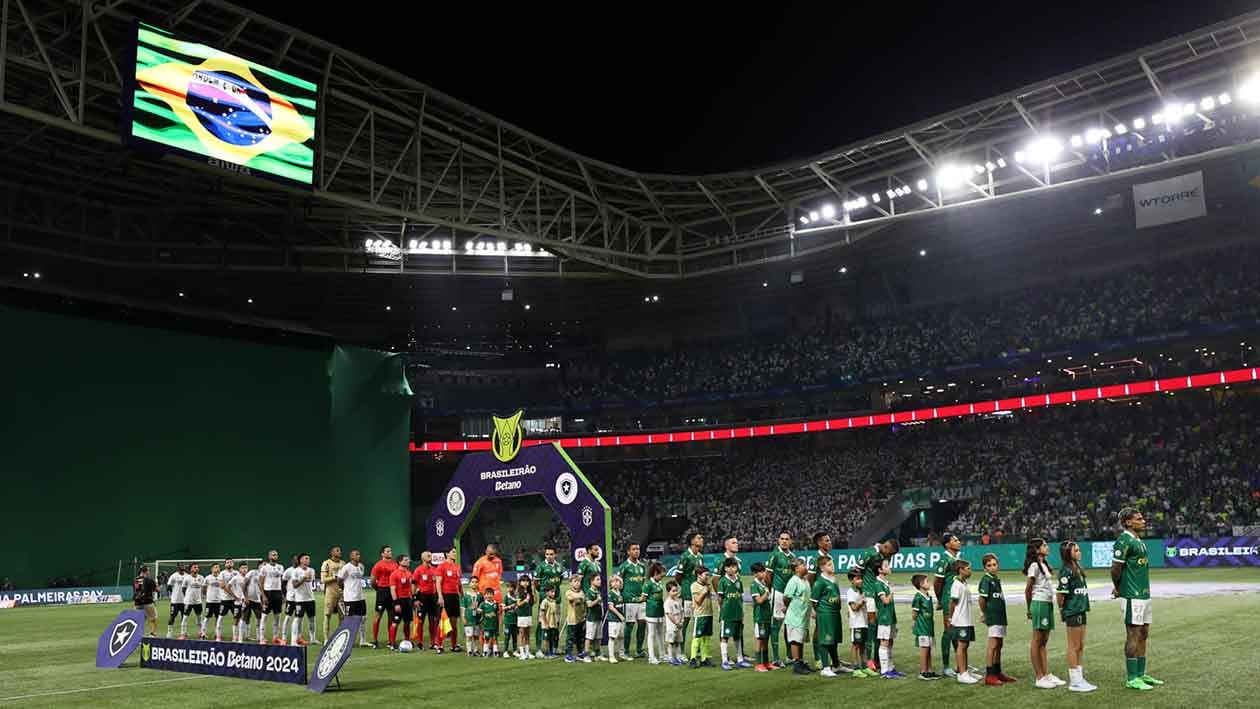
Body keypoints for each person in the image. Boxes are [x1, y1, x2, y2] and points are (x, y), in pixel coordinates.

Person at [1112, 508, 1161, 690]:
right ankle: (1132, 678)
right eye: (1139, 519)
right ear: (1128, 522)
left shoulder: (1138, 540)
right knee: (1133, 635)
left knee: (1144, 634)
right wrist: (1118, 588)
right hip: (1132, 596)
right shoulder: (1124, 540)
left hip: (1144, 594)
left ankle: (1141, 674)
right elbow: (1115, 569)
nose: (1144, 521)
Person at [1058, 541, 1096, 692]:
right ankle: (1074, 681)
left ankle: (1080, 678)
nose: (1079, 552)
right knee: (1073, 646)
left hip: (1081, 610)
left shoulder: (1077, 569)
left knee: (1080, 645)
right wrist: (1062, 609)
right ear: (1069, 553)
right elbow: (1060, 594)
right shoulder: (1066, 571)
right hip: (1073, 611)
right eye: (1076, 550)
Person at [1025, 538, 1063, 688]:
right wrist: (1029, 608)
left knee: (1044, 641)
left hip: (1047, 603)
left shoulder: (1043, 564)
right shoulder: (1034, 565)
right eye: (1044, 545)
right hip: (1039, 603)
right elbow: (1028, 589)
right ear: (1036, 549)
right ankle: (1039, 677)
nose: (1047, 547)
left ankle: (1046, 673)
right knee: (1037, 640)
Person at [857, 537, 900, 673]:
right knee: (872, 625)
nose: (890, 557)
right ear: (886, 547)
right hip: (870, 593)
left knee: (880, 628)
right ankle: (869, 660)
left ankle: (878, 659)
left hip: (879, 592)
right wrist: (861, 591)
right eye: (891, 553)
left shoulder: (886, 555)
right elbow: (857, 571)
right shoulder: (869, 553)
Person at [977, 552, 1016, 684]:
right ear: (985, 568)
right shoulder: (986, 580)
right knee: (993, 644)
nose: (993, 567)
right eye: (989, 565)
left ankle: (997, 671)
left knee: (999, 644)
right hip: (993, 616)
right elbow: (982, 598)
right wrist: (983, 613)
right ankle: (989, 675)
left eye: (994, 564)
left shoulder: (995, 580)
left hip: (1000, 616)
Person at [766, 531, 797, 668]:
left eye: (787, 539)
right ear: (778, 540)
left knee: (789, 625)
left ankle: (790, 656)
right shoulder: (774, 555)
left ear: (791, 542)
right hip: (777, 593)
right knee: (776, 625)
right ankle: (776, 657)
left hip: (789, 595)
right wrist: (771, 589)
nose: (784, 541)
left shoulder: (792, 556)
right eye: (782, 539)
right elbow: (768, 575)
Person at [933, 532, 963, 677]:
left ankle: (960, 663)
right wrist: (940, 600)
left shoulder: (958, 558)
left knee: (957, 631)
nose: (958, 542)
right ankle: (946, 666)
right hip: (948, 599)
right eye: (955, 540)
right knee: (949, 631)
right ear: (947, 544)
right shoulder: (944, 560)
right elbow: (937, 582)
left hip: (958, 599)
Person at [809, 555, 843, 677]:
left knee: (833, 640)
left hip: (835, 613)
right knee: (825, 639)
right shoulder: (820, 582)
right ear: (822, 568)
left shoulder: (834, 579)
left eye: (832, 564)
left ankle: (836, 665)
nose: (832, 566)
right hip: (825, 614)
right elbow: (813, 600)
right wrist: (816, 612)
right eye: (829, 565)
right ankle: (825, 667)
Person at [949, 559, 979, 685]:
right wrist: (951, 618)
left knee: (965, 645)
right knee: (961, 646)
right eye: (968, 568)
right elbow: (953, 603)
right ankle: (962, 673)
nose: (970, 570)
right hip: (960, 620)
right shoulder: (956, 584)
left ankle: (965, 670)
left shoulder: (964, 583)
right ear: (960, 570)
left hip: (967, 619)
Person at [614, 543, 647, 660]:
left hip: (641, 600)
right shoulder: (624, 566)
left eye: (638, 549)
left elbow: (643, 582)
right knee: (629, 625)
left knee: (643, 624)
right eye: (634, 549)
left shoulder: (642, 566)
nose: (636, 551)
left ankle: (639, 649)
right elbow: (617, 582)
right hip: (629, 601)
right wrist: (623, 596)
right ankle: (626, 650)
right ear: (628, 552)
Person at [873, 558, 904, 679]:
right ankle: (884, 670)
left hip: (891, 617)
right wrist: (892, 592)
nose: (889, 567)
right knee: (884, 642)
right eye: (886, 565)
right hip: (884, 618)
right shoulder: (878, 584)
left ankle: (891, 668)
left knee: (890, 642)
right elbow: (885, 601)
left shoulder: (885, 583)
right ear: (880, 570)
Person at [806, 532, 833, 669]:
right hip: (819, 599)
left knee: (828, 628)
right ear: (819, 543)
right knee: (819, 628)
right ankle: (818, 658)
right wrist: (812, 602)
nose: (830, 542)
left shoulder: (828, 557)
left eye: (829, 540)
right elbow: (809, 580)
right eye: (827, 540)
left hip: (828, 599)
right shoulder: (815, 558)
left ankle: (827, 657)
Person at [716, 557, 749, 670]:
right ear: (725, 568)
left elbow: (741, 597)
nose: (731, 569)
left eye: (734, 566)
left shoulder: (739, 581)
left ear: (736, 568)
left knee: (737, 636)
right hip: (727, 614)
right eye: (729, 567)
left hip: (738, 613)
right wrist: (721, 612)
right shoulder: (722, 581)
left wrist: (743, 612)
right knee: (725, 636)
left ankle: (740, 659)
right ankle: (724, 660)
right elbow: (720, 598)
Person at [533, 546, 566, 657]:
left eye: (551, 554)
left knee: (555, 624)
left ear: (555, 555)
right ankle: (538, 649)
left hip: (556, 599)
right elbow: (536, 583)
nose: (549, 556)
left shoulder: (559, 566)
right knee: (542, 622)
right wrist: (543, 592)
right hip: (545, 599)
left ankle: (554, 648)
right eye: (547, 554)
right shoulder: (541, 566)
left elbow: (560, 580)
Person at [782, 558, 813, 675]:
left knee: (800, 640)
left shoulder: (805, 580)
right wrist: (791, 608)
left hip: (803, 617)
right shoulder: (793, 581)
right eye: (803, 565)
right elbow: (786, 597)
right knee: (795, 640)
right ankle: (796, 664)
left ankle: (801, 661)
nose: (806, 566)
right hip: (795, 617)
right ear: (796, 568)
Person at [337, 549, 372, 647]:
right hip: (350, 598)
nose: (358, 556)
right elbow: (339, 580)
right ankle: (347, 641)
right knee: (349, 620)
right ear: (351, 556)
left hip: (360, 597)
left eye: (359, 554)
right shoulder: (346, 567)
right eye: (356, 554)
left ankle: (363, 640)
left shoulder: (361, 566)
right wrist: (345, 589)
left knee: (363, 618)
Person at [675, 533, 704, 642]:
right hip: (687, 595)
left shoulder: (700, 556)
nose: (701, 539)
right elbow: (678, 576)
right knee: (685, 621)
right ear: (692, 541)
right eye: (699, 538)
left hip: (699, 593)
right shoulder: (685, 556)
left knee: (699, 620)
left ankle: (698, 649)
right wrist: (686, 587)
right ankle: (680, 650)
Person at [910, 574, 938, 681]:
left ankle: (929, 670)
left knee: (929, 649)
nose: (929, 583)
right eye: (927, 581)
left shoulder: (928, 597)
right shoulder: (918, 597)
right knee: (924, 649)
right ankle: (923, 671)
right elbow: (914, 614)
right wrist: (916, 624)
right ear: (921, 584)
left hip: (929, 628)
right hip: (922, 628)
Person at [848, 570, 876, 677]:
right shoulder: (851, 592)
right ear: (851, 580)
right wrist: (862, 602)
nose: (860, 581)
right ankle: (855, 668)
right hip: (856, 623)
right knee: (855, 644)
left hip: (863, 622)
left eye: (861, 578)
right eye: (857, 579)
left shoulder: (861, 590)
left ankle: (864, 666)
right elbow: (854, 608)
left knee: (863, 644)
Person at [370, 546, 398, 648]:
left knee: (391, 616)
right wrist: (379, 589)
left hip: (392, 592)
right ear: (382, 554)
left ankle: (391, 641)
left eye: (390, 551)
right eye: (388, 551)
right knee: (378, 616)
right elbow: (372, 581)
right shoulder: (378, 565)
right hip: (382, 591)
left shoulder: (395, 564)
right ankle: (375, 640)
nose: (390, 552)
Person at [437, 548, 464, 652]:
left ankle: (454, 645)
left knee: (454, 622)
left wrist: (462, 594)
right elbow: (438, 582)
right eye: (453, 552)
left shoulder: (457, 567)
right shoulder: (442, 566)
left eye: (455, 552)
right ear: (447, 554)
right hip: (445, 595)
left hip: (454, 596)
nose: (455, 554)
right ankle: (439, 645)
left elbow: (459, 582)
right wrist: (440, 596)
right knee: (443, 621)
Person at [412, 552, 440, 652]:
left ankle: (434, 642)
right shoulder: (418, 570)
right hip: (422, 597)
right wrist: (414, 599)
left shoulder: (434, 569)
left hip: (433, 597)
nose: (430, 557)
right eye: (428, 556)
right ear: (422, 557)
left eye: (431, 555)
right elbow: (414, 586)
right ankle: (419, 642)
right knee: (420, 621)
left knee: (433, 621)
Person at [688, 566, 714, 668]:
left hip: (709, 614)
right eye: (706, 575)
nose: (708, 577)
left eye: (708, 575)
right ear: (699, 575)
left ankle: (704, 659)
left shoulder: (708, 585)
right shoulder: (694, 585)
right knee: (697, 637)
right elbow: (698, 601)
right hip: (700, 615)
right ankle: (693, 659)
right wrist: (704, 592)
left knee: (706, 638)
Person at [749, 562, 773, 672]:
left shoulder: (763, 584)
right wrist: (766, 594)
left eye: (763, 571)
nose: (763, 573)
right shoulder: (754, 585)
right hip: (760, 618)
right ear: (754, 574)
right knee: (760, 639)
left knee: (766, 639)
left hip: (767, 616)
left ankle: (766, 662)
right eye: (760, 572)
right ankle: (758, 664)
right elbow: (758, 601)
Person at [258, 550, 286, 644]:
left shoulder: (280, 567)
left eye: (276, 555)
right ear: (269, 556)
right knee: (264, 616)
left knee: (277, 616)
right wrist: (263, 595)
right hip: (268, 593)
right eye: (273, 555)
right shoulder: (264, 568)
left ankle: (275, 637)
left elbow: (281, 582)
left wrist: (282, 594)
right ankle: (262, 638)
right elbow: (260, 582)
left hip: (277, 593)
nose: (275, 556)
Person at [388, 554, 414, 650]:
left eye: (408, 559)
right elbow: (393, 590)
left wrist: (413, 599)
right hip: (399, 600)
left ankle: (407, 640)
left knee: (407, 622)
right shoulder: (394, 574)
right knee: (395, 622)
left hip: (408, 600)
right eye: (406, 560)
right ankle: (392, 643)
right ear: (400, 562)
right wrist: (396, 603)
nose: (408, 561)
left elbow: (411, 588)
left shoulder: (409, 573)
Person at [320, 546, 346, 645]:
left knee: (342, 616)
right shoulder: (326, 563)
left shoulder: (343, 563)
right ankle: (326, 638)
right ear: (332, 553)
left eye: (340, 550)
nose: (340, 552)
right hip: (330, 593)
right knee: (327, 615)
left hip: (341, 593)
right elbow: (323, 580)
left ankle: (340, 638)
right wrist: (335, 577)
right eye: (337, 550)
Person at [290, 554, 316, 647]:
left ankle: (313, 638)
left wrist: (306, 578)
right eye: (306, 558)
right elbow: (295, 585)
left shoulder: (311, 570)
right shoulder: (296, 571)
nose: (308, 560)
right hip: (300, 599)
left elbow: (309, 580)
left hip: (310, 598)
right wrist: (303, 578)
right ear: (301, 560)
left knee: (312, 619)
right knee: (297, 619)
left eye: (309, 558)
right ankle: (293, 640)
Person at [644, 562, 667, 664]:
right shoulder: (648, 584)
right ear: (655, 573)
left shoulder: (660, 583)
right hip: (651, 612)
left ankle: (662, 654)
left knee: (661, 634)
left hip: (660, 611)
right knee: (651, 634)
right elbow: (643, 598)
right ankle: (651, 657)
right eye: (660, 575)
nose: (662, 578)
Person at [563, 575, 587, 662]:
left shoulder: (581, 592)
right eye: (575, 581)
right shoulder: (569, 592)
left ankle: (580, 653)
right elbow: (570, 598)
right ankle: (568, 655)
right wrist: (579, 597)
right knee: (570, 638)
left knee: (580, 637)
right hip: (572, 620)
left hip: (581, 618)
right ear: (570, 583)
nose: (577, 583)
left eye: (579, 582)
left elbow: (584, 601)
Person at [583, 574, 605, 663]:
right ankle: (586, 655)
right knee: (589, 637)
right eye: (598, 579)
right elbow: (589, 604)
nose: (600, 581)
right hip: (591, 619)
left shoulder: (598, 592)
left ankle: (598, 654)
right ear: (592, 581)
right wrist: (597, 600)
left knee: (598, 637)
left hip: (598, 617)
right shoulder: (589, 592)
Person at [180, 563, 205, 641]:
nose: (196, 568)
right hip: (188, 602)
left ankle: (201, 632)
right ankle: (183, 634)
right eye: (194, 567)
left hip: (198, 601)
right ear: (191, 569)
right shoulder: (187, 578)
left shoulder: (201, 577)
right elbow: (183, 589)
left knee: (199, 618)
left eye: (197, 567)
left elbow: (203, 588)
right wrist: (187, 597)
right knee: (185, 617)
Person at [606, 574, 627, 663]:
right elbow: (611, 607)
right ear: (610, 584)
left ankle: (621, 654)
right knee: (612, 637)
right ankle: (611, 656)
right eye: (613, 581)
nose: (616, 583)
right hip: (613, 619)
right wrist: (620, 615)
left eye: (617, 581)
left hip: (620, 620)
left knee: (621, 636)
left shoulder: (620, 594)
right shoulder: (611, 594)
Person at [133, 565, 158, 637]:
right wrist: (158, 583)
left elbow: (135, 591)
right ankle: (152, 634)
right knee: (153, 619)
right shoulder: (149, 579)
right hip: (148, 602)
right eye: (148, 570)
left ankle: (138, 635)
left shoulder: (135, 580)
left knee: (139, 621)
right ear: (146, 571)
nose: (149, 572)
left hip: (137, 603)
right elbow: (157, 589)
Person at [663, 581, 684, 665]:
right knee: (671, 643)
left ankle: (678, 657)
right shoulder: (667, 602)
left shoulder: (678, 601)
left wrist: (681, 621)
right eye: (673, 591)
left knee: (678, 642)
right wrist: (676, 622)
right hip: (671, 627)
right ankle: (670, 657)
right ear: (668, 592)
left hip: (679, 625)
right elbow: (669, 614)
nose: (675, 592)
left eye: (676, 590)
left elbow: (682, 611)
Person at [164, 563, 187, 639]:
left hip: (184, 601)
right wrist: (172, 594)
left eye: (183, 566)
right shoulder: (174, 576)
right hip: (175, 601)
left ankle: (183, 633)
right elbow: (169, 586)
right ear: (178, 567)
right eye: (181, 566)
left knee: (184, 617)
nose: (183, 567)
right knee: (172, 616)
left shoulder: (187, 576)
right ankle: (169, 632)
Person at [514, 576, 535, 660]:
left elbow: (534, 602)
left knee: (527, 634)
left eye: (527, 581)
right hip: (521, 615)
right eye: (523, 581)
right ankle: (522, 652)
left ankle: (527, 652)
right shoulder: (519, 592)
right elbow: (518, 604)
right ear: (520, 582)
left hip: (528, 614)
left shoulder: (529, 592)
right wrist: (525, 600)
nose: (525, 583)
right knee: (522, 634)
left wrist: (533, 591)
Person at [227, 563, 248, 642]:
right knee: (236, 619)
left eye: (246, 568)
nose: (244, 569)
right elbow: (228, 587)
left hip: (245, 601)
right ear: (239, 569)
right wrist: (235, 596)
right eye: (243, 568)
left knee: (243, 618)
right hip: (237, 602)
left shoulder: (248, 578)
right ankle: (234, 636)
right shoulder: (235, 578)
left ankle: (241, 637)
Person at [479, 587, 502, 658]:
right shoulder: (483, 604)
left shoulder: (496, 604)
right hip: (486, 625)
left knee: (495, 638)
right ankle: (485, 652)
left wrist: (500, 622)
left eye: (490, 594)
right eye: (487, 594)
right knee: (486, 638)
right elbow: (479, 612)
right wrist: (476, 610)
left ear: (493, 595)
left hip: (494, 625)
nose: (488, 596)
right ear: (484, 595)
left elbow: (498, 614)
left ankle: (495, 652)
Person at [462, 577, 482, 656]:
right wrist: (463, 617)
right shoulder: (466, 595)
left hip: (477, 618)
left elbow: (482, 607)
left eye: (476, 582)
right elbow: (463, 607)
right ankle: (469, 650)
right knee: (469, 635)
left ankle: (476, 650)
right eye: (473, 582)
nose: (474, 583)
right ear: (470, 584)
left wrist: (481, 615)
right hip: (468, 617)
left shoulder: (480, 595)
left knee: (476, 635)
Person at [539, 584, 560, 657]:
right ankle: (546, 653)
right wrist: (546, 623)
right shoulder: (545, 602)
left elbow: (555, 613)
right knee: (546, 639)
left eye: (554, 592)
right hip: (546, 625)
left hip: (552, 623)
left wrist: (556, 622)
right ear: (547, 593)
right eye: (552, 592)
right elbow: (542, 614)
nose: (553, 593)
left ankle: (551, 652)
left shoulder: (553, 601)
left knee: (551, 639)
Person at [502, 583, 520, 657]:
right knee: (507, 636)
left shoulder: (517, 597)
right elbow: (503, 608)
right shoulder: (506, 597)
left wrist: (517, 608)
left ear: (514, 588)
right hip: (508, 620)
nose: (509, 589)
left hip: (515, 620)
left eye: (511, 587)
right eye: (508, 587)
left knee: (515, 636)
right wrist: (510, 606)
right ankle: (505, 651)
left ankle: (515, 650)